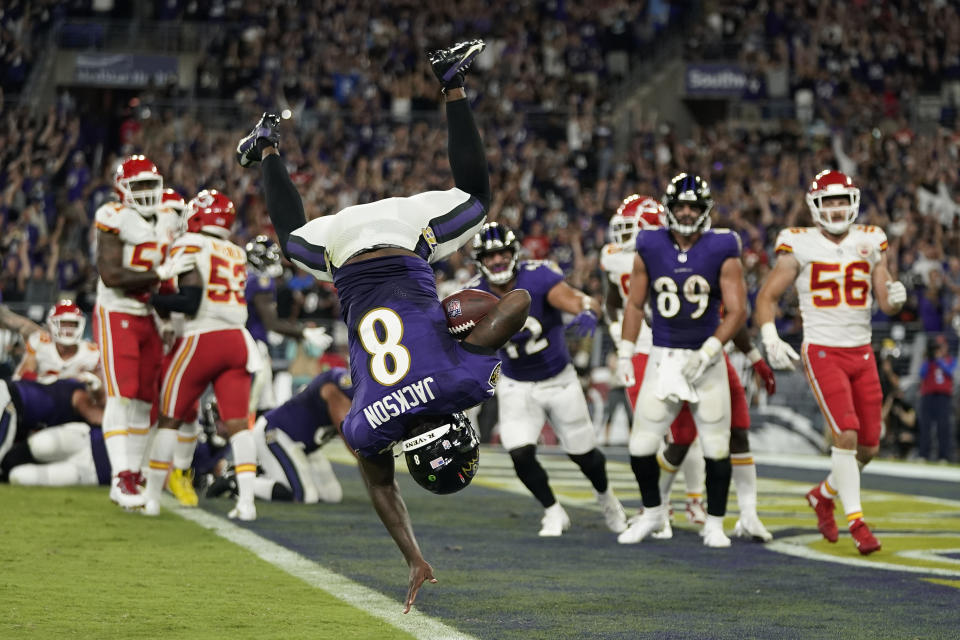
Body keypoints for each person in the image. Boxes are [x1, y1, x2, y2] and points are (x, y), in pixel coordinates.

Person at [237, 39, 530, 613]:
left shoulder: (462, 385)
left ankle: (451, 83)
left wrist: (455, 324)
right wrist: (411, 555)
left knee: (479, 198)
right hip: (340, 249)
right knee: (294, 245)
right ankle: (267, 147)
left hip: (405, 233)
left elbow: (516, 300)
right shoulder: (370, 428)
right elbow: (380, 486)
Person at [754, 169, 907, 555]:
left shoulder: (871, 240)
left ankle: (823, 496)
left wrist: (896, 298)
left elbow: (884, 301)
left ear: (853, 201)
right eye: (829, 201)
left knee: (869, 447)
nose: (837, 209)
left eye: (842, 200)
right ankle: (857, 522)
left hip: (862, 350)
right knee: (847, 434)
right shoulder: (799, 244)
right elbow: (767, 297)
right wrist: (770, 336)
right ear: (815, 206)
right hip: (823, 349)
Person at [470, 221, 628, 537]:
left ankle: (608, 499)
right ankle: (553, 511)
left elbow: (582, 300)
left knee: (585, 455)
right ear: (480, 261)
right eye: (490, 256)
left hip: (558, 379)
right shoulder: (473, 296)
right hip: (516, 383)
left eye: (501, 253)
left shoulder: (538, 277)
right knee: (519, 452)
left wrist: (586, 311)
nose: (497, 261)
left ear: (513, 253)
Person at [615, 173, 748, 548]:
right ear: (669, 209)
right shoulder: (651, 243)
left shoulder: (723, 246)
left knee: (715, 447)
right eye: (680, 206)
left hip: (705, 360)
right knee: (641, 447)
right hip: (663, 356)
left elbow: (737, 311)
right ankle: (653, 512)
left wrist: (710, 349)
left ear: (705, 210)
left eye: (693, 206)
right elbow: (635, 303)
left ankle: (716, 523)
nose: (686, 213)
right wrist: (626, 351)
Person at [141, 190, 261, 520]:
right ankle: (247, 503)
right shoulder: (236, 251)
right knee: (239, 425)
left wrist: (151, 298)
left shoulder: (191, 243)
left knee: (170, 418)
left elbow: (190, 301)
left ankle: (150, 496)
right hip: (237, 339)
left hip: (201, 338)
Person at [93, 155, 196, 508]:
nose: (146, 192)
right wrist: (161, 274)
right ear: (122, 190)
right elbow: (112, 275)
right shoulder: (113, 216)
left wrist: (168, 317)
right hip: (118, 311)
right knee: (121, 396)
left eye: (151, 184)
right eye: (138, 186)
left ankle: (132, 476)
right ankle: (120, 476)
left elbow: (173, 270)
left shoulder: (171, 213)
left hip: (150, 314)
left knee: (143, 399)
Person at [601, 194, 707, 527]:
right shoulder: (617, 258)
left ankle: (693, 500)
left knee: (685, 433)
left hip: (675, 347)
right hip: (642, 350)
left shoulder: (675, 252)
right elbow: (612, 302)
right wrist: (620, 336)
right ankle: (660, 503)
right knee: (651, 431)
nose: (621, 237)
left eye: (630, 229)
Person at [244, 234, 333, 415]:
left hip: (250, 342)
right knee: (251, 402)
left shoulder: (247, 279)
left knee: (265, 400)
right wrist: (304, 333)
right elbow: (272, 323)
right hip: (253, 346)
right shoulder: (260, 282)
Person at [249, 366, 353, 504]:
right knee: (304, 495)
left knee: (331, 495)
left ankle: (265, 471)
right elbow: (353, 442)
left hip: (305, 447)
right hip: (274, 433)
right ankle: (237, 481)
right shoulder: (336, 388)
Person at [14, 300, 100, 386]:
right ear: (52, 324)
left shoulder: (91, 352)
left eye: (72, 324)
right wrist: (41, 380)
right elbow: (21, 377)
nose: (68, 330)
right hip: (44, 393)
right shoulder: (40, 343)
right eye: (63, 324)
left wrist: (91, 380)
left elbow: (101, 388)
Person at [917, 334, 955, 462]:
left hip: (943, 397)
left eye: (941, 346)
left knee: (943, 426)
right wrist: (929, 359)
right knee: (925, 425)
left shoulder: (950, 360)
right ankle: (923, 454)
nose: (939, 349)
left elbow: (951, 372)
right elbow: (921, 374)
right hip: (928, 395)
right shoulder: (928, 361)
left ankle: (944, 456)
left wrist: (939, 361)